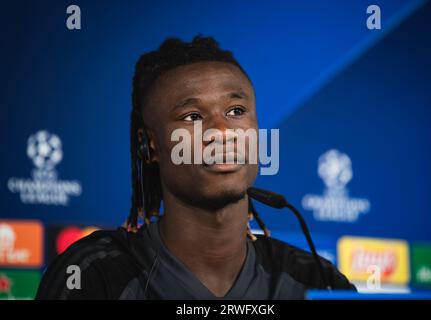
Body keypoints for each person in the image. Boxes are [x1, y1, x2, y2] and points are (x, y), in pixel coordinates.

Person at [36, 36, 355, 300]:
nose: (222, 131)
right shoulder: (92, 276)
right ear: (150, 145)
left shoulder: (316, 280)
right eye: (193, 116)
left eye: (236, 110)